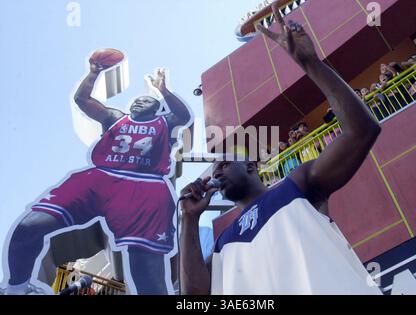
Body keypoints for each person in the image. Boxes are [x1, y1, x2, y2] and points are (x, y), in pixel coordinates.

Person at [179, 4, 381, 295]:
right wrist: (189, 219)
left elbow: (361, 131)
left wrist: (312, 64)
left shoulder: (296, 185)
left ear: (251, 166)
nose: (217, 171)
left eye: (224, 164)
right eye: (214, 169)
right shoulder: (224, 243)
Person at [2, 62, 191, 295]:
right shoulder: (114, 117)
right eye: (136, 101)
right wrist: (93, 73)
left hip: (144, 185)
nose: (139, 102)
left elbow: (183, 114)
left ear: (156, 109)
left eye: (147, 101)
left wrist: (163, 90)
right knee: (29, 226)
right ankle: (17, 289)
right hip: (101, 177)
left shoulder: (166, 122)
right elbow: (82, 100)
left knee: (146, 274)